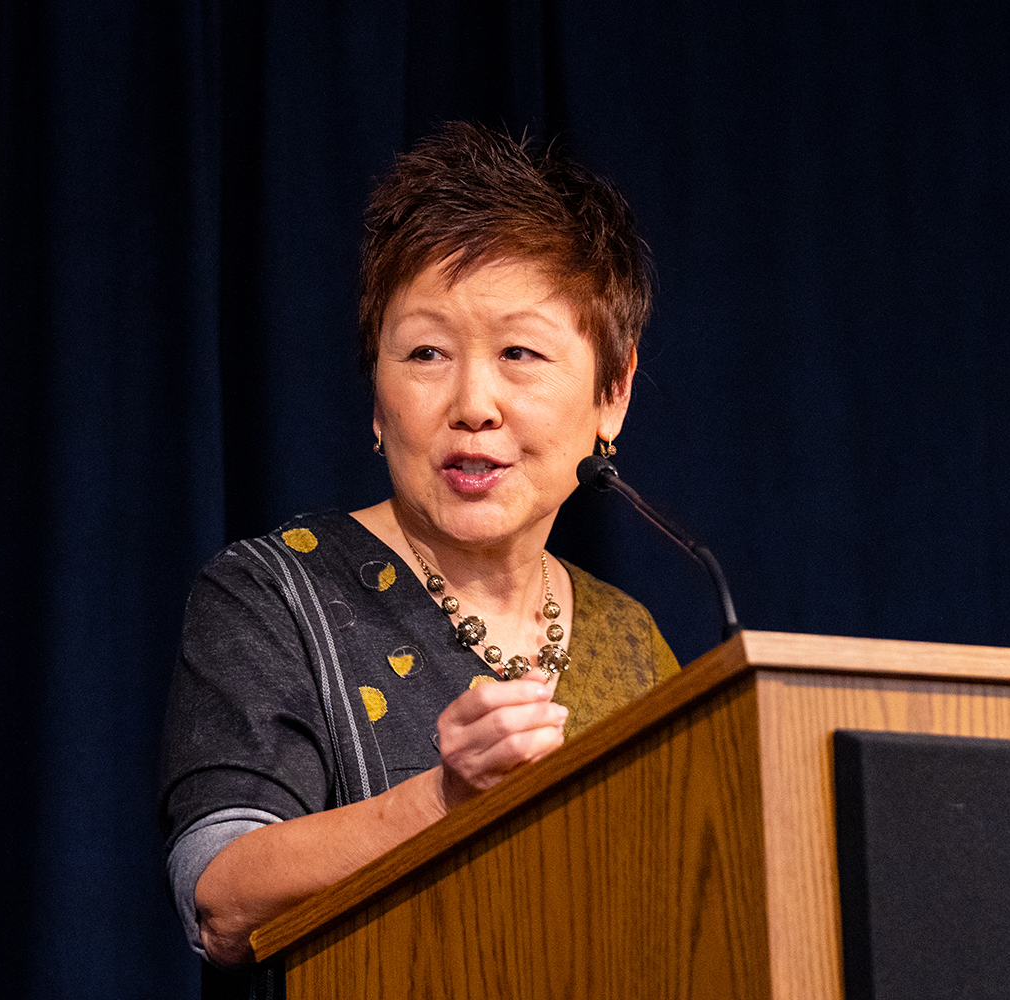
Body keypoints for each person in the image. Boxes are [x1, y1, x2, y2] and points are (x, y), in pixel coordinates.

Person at [158, 122, 679, 994]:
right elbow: (218, 892)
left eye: (519, 353)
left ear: (612, 392)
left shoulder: (631, 640)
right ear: (376, 397)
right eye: (426, 353)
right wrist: (441, 803)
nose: (473, 403)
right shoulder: (271, 596)